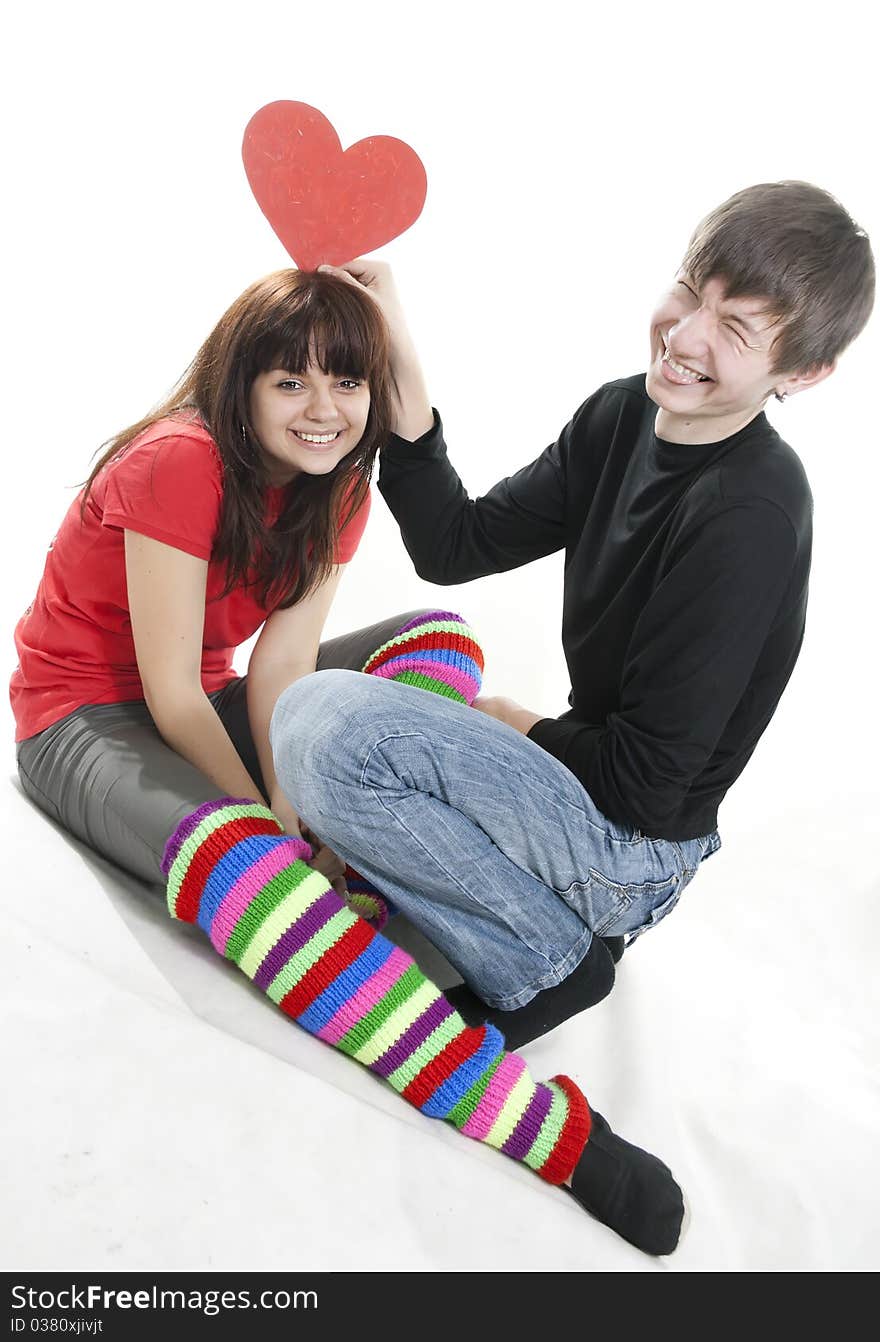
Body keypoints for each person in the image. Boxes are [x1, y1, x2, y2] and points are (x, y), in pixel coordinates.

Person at [10, 267, 687, 1257]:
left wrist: (304, 798)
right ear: (240, 384)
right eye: (290, 382)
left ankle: (375, 899)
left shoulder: (341, 486)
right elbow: (171, 695)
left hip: (210, 702)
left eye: (347, 382)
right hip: (84, 721)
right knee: (251, 864)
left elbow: (282, 663)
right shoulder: (178, 464)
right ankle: (544, 1128)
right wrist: (274, 823)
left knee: (439, 640)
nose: (323, 410)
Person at [269, 180, 875, 1054]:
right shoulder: (623, 413)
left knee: (321, 721)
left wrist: (519, 726)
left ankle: (549, 959)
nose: (687, 335)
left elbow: (645, 787)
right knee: (394, 675)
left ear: (804, 373)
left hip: (630, 848)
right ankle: (526, 917)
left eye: (737, 330)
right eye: (691, 291)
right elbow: (455, 542)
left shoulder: (752, 515)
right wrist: (399, 351)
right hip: (583, 795)